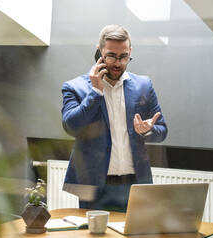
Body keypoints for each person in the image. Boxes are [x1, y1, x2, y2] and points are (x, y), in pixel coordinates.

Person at [61, 24, 168, 211]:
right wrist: (95, 92)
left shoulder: (144, 85)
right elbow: (71, 127)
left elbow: (162, 131)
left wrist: (148, 130)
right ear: (99, 52)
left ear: (130, 52)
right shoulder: (74, 87)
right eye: (111, 56)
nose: (118, 63)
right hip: (93, 186)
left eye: (124, 56)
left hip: (134, 183)